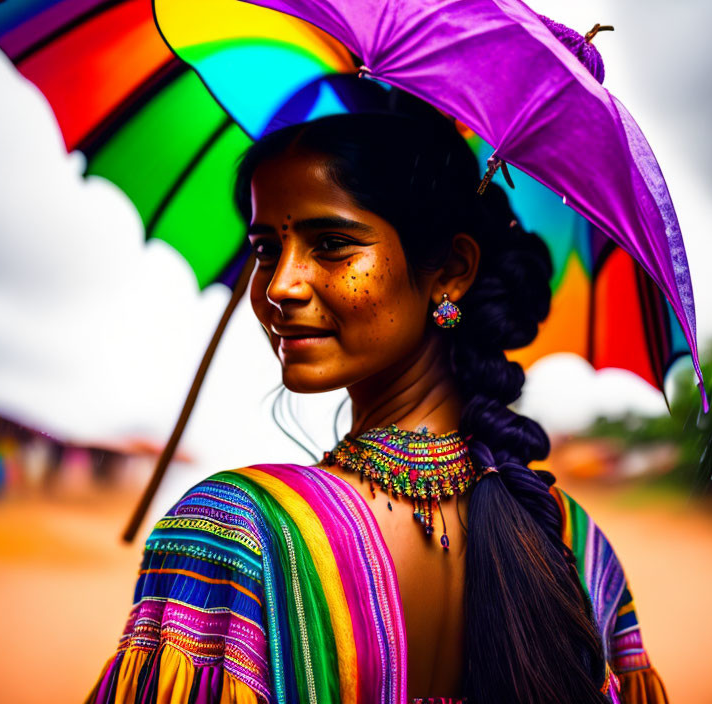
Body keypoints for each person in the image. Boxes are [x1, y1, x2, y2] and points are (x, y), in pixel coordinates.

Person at [87, 91, 669, 704]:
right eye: (265, 250)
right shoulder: (577, 545)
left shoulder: (238, 532)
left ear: (451, 271)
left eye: (332, 244)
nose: (280, 285)